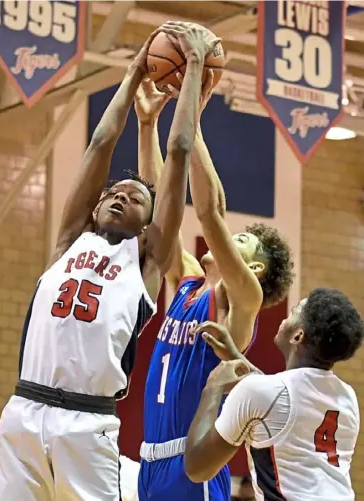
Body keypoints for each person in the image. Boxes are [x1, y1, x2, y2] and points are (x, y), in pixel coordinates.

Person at [0, 24, 220, 501]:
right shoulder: (70, 241)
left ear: (148, 223)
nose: (119, 196)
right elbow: (99, 144)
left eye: (135, 198)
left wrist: (193, 68)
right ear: (94, 207)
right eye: (113, 193)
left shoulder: (146, 261)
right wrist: (134, 70)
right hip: (23, 410)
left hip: (87, 423)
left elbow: (176, 156)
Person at [135, 21, 294, 501]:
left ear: (258, 269)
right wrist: (147, 126)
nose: (228, 237)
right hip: (149, 459)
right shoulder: (186, 284)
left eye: (243, 240)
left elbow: (209, 210)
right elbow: (161, 210)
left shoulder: (241, 299)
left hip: (193, 463)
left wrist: (192, 110)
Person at [185, 288, 363, 501]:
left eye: (295, 311)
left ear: (298, 336)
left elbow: (197, 468)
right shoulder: (347, 397)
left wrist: (212, 388)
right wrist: (236, 356)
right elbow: (283, 404)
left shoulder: (263, 393)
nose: (286, 317)